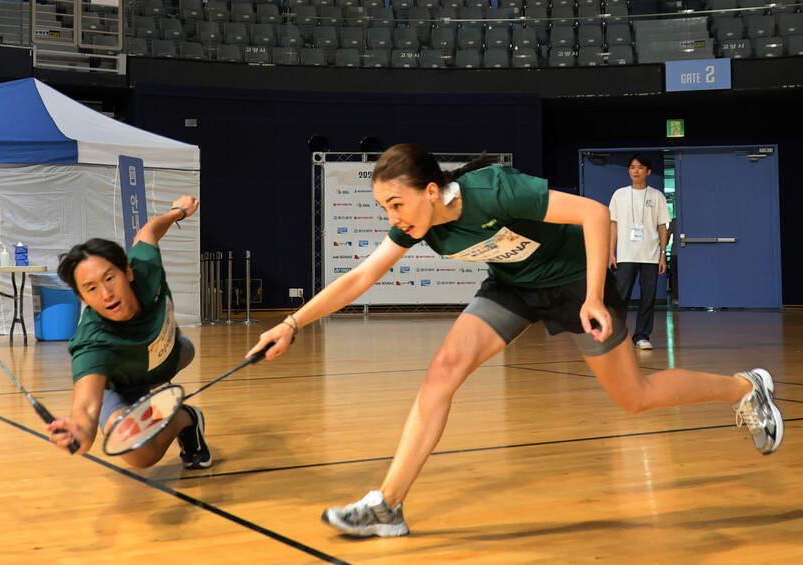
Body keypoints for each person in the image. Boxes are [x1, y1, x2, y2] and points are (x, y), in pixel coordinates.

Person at [246, 144, 783, 538]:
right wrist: (292, 324)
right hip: (513, 287)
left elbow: (596, 215)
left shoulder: (494, 191)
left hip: (575, 283)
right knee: (443, 370)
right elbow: (359, 278)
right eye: (385, 207)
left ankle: (743, 388)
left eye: (397, 204)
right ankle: (388, 504)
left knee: (634, 397)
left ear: (430, 192)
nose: (393, 217)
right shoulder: (419, 225)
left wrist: (594, 296)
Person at [46, 196, 212, 470]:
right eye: (91, 288)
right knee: (137, 454)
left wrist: (178, 211)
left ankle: (154, 402)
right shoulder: (93, 341)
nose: (106, 294)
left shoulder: (146, 269)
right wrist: (82, 432)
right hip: (122, 385)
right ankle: (186, 418)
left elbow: (148, 231)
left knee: (186, 349)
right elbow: (86, 405)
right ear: (83, 298)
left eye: (110, 278)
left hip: (174, 353)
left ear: (128, 272)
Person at [608, 154, 671, 350]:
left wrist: (662, 254)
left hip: (651, 255)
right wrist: (611, 252)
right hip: (626, 254)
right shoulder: (619, 194)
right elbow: (613, 225)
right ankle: (617, 336)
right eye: (632, 167)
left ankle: (642, 336)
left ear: (648, 171)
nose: (636, 171)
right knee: (621, 297)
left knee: (648, 297)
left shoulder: (657, 195)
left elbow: (663, 228)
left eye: (640, 167)